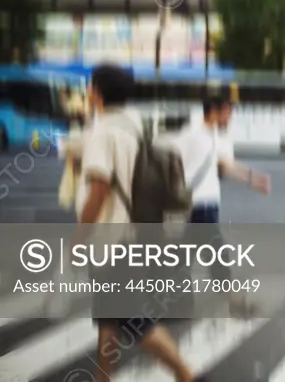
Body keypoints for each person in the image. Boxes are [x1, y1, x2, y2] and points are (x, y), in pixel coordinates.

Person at [74, 64, 204, 382]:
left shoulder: (103, 132)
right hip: (135, 233)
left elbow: (100, 188)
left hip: (112, 240)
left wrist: (78, 239)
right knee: (109, 313)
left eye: (91, 86)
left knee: (136, 320)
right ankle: (103, 377)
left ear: (97, 91)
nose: (88, 92)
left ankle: (186, 375)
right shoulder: (136, 125)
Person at [173, 95, 270, 314]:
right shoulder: (191, 135)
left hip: (208, 204)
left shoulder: (218, 138)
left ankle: (175, 302)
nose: (230, 118)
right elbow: (172, 162)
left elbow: (226, 166)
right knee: (216, 254)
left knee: (182, 257)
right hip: (196, 204)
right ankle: (235, 302)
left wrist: (253, 179)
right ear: (214, 111)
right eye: (227, 112)